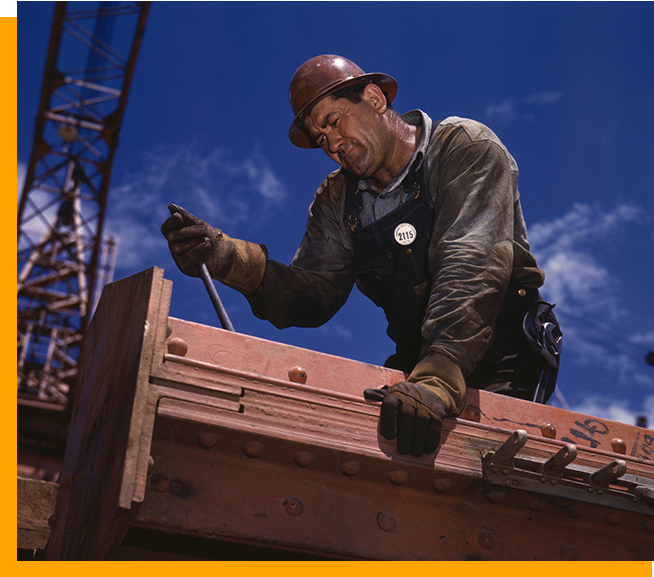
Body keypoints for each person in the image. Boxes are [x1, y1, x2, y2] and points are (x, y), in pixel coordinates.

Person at [162, 55, 562, 458]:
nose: (333, 144)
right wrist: (227, 258)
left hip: (499, 358)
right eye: (320, 139)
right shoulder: (338, 199)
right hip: (417, 368)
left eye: (334, 121)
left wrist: (439, 378)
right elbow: (314, 293)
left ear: (373, 98)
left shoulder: (463, 147)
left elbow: (471, 260)